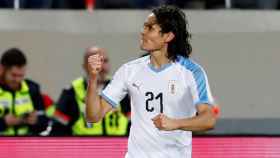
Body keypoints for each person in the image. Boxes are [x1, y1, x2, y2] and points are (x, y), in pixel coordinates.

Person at [86, 5, 217, 158]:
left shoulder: (192, 73)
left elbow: (209, 119)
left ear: (168, 36)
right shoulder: (129, 70)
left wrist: (176, 123)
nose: (143, 31)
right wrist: (93, 78)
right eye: (144, 26)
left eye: (150, 27)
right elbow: (93, 116)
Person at [50, 46, 130, 136]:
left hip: (118, 146)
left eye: (105, 61)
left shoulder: (119, 88)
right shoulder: (72, 91)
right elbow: (58, 128)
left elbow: (134, 123)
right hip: (85, 147)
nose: (101, 66)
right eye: (95, 62)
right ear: (84, 66)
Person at [0, 48, 49, 136]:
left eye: (21, 75)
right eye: (13, 75)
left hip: (26, 146)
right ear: (2, 69)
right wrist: (4, 122)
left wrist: (36, 121)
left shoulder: (33, 89)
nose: (18, 80)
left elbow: (45, 123)